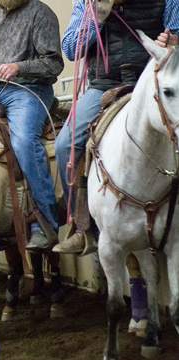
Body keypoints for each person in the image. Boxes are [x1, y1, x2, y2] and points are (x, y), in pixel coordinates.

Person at [53, 0, 179, 254]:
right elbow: (70, 49)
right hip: (104, 84)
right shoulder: (88, 3)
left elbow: (176, 31)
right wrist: (97, 17)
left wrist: (175, 42)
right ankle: (82, 228)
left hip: (151, 79)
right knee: (64, 144)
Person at [0, 0, 64, 251]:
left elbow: (54, 63)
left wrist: (18, 67)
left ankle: (44, 222)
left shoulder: (41, 13)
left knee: (24, 143)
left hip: (30, 91)